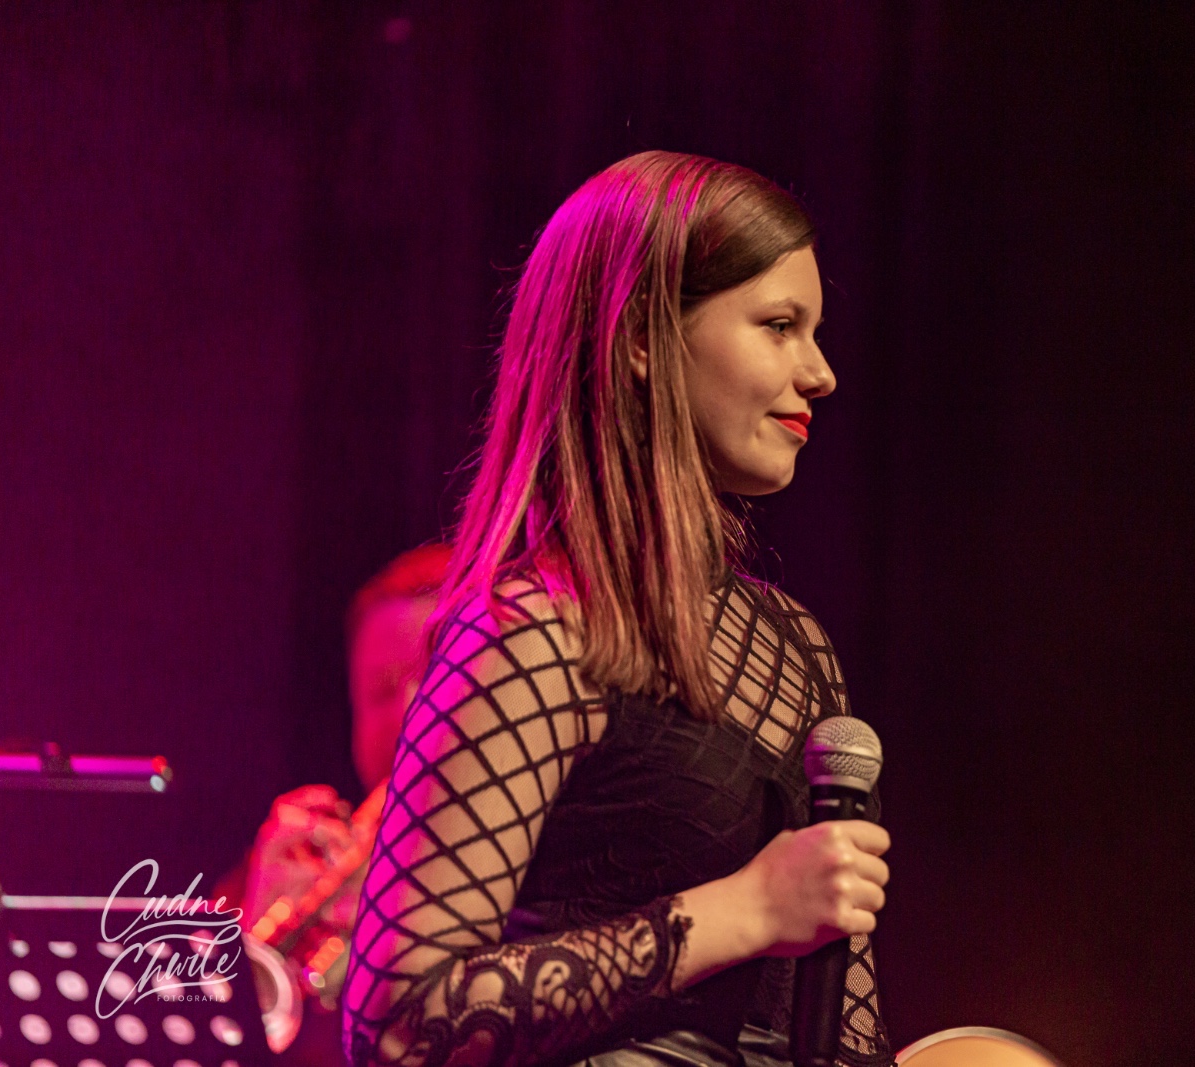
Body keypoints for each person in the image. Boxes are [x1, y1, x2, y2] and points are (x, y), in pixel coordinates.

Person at [341, 151, 894, 1067]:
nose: (821, 372)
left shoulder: (798, 649)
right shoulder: (533, 628)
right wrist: (747, 909)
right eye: (779, 326)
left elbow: (848, 1031)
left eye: (815, 332)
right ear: (641, 335)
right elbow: (398, 1020)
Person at [222, 544, 452, 1065]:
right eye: (383, 690)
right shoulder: (300, 854)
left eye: (436, 684)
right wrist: (253, 927)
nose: (411, 711)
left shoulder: (545, 874)